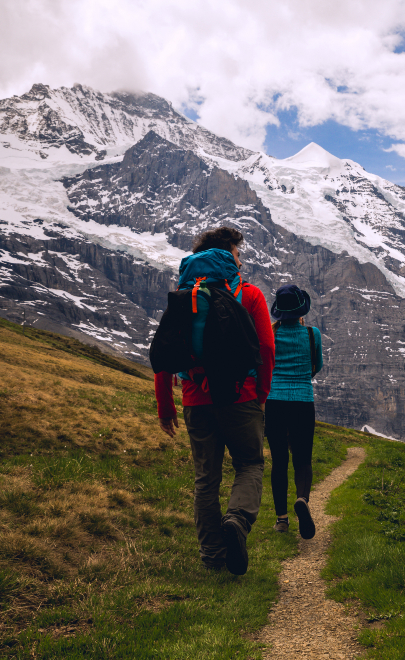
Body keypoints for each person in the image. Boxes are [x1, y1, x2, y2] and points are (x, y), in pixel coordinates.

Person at [155, 226, 275, 576]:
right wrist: (262, 393)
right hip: (242, 397)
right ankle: (237, 520)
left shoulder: (184, 296)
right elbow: (267, 349)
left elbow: (166, 353)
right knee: (250, 464)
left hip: (195, 399)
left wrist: (166, 406)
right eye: (238, 254)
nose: (240, 260)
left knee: (206, 479)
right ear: (228, 254)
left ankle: (212, 556)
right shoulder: (249, 293)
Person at [265, 284, 323, 540]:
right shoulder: (313, 335)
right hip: (302, 401)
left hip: (275, 402)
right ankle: (302, 499)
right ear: (302, 310)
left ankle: (281, 520)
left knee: (279, 461)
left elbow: (264, 366)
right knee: (302, 459)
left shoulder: (269, 335)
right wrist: (300, 378)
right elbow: (316, 366)